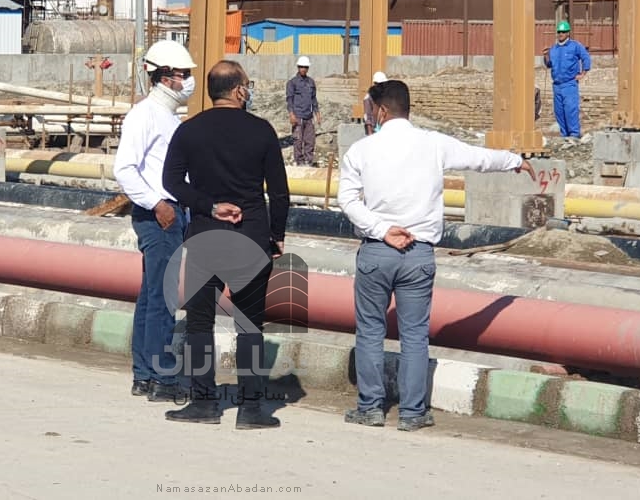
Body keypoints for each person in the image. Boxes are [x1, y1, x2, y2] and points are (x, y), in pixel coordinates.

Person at [338, 80, 535, 430]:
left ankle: (370, 407)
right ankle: (412, 413)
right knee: (415, 334)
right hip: (418, 253)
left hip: (377, 252)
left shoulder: (361, 150)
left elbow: (348, 200)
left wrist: (382, 229)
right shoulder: (434, 144)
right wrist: (515, 160)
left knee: (370, 331)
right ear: (407, 108)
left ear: (381, 111)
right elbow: (479, 158)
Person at [162, 60, 290, 429]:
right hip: (251, 236)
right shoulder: (261, 130)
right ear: (239, 90)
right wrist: (276, 235)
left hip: (206, 236)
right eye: (247, 85)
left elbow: (172, 181)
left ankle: (203, 402)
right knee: (250, 325)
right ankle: (250, 409)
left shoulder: (189, 130)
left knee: (199, 323)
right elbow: (279, 193)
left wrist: (209, 206)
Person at [113, 39, 196, 403]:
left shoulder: (169, 117)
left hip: (168, 212)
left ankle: (145, 375)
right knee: (162, 298)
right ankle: (161, 378)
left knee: (151, 296)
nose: (188, 81)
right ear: (165, 77)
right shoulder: (144, 115)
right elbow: (124, 169)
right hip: (159, 215)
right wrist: (158, 204)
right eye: (183, 74)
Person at [542, 20, 591, 138]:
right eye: (559, 32)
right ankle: (564, 135)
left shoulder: (575, 46)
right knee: (559, 111)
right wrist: (546, 56)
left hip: (569, 84)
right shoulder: (553, 49)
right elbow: (549, 65)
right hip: (557, 85)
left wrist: (583, 73)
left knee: (570, 109)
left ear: (568, 33)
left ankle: (574, 134)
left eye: (563, 32)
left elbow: (585, 57)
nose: (561, 34)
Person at [286, 56, 321, 166]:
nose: (303, 69)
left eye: (305, 67)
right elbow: (289, 99)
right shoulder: (292, 83)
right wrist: (291, 114)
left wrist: (317, 113)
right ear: (298, 67)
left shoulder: (311, 82)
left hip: (308, 117)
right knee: (298, 140)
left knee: (310, 141)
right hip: (298, 116)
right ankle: (299, 162)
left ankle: (308, 161)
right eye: (301, 67)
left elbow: (313, 98)